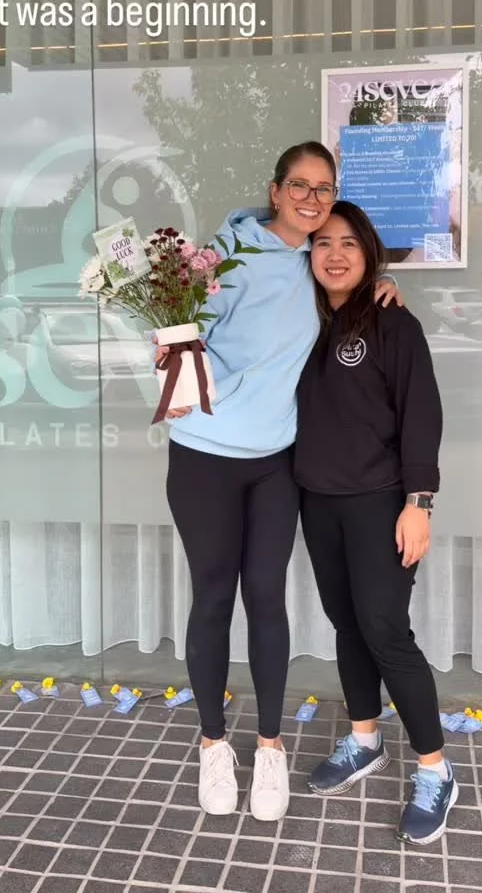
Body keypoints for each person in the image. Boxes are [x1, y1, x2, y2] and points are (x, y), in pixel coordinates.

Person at [160, 142, 403, 822]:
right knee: (213, 599)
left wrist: (381, 289)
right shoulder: (222, 257)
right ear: (275, 191)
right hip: (204, 454)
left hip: (275, 460)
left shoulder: (316, 263)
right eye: (299, 185)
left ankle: (269, 747)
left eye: (324, 189)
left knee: (266, 597)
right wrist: (171, 360)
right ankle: (213, 744)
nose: (311, 199)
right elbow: (176, 328)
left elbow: (348, 285)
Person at [294, 200, 457, 846]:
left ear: (368, 254)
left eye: (349, 244)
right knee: (347, 624)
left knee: (385, 629)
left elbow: (422, 414)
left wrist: (419, 503)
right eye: (322, 242)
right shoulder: (300, 319)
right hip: (317, 499)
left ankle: (435, 770)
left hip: (381, 501)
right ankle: (365, 740)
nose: (334, 254)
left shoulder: (393, 322)